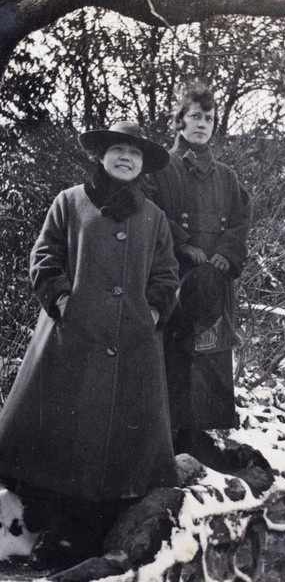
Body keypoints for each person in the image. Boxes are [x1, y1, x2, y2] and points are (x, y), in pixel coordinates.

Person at [0, 121, 179, 568]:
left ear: (143, 166)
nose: (126, 158)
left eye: (135, 154)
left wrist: (154, 312)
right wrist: (62, 298)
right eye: (118, 149)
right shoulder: (70, 202)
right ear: (101, 156)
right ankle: (46, 531)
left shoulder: (154, 217)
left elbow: (166, 274)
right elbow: (44, 256)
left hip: (132, 346)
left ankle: (90, 534)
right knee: (62, 437)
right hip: (70, 342)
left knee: (116, 448)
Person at [147, 82, 251, 455]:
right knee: (173, 352)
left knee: (211, 353)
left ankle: (203, 435)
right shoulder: (161, 167)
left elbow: (240, 220)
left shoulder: (226, 176)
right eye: (194, 116)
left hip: (214, 282)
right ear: (179, 121)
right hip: (174, 276)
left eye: (208, 118)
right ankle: (170, 437)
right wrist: (181, 242)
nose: (201, 124)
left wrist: (228, 251)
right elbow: (150, 211)